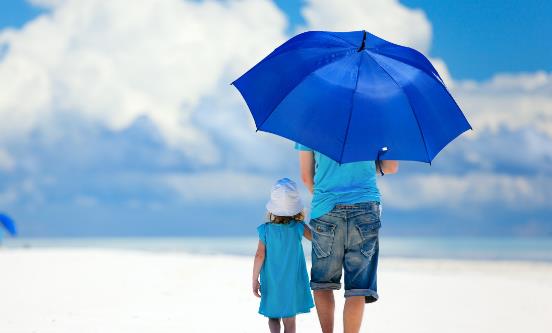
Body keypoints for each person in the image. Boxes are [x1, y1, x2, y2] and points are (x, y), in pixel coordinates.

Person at [296, 144, 399, 333]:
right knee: (357, 288)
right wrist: (369, 165)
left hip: (326, 208)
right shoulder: (376, 121)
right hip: (365, 208)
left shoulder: (310, 123)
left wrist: (326, 199)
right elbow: (391, 167)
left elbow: (305, 176)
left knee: (323, 284)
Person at [252, 178, 315, 333]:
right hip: (292, 280)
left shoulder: (265, 230)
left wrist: (254, 279)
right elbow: (316, 239)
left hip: (271, 280)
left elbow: (259, 255)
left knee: (273, 317)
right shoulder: (298, 227)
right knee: (290, 319)